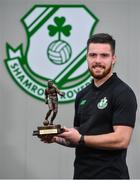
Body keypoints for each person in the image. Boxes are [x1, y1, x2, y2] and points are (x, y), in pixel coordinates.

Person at [40, 33, 137, 179]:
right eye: (93, 55)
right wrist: (58, 137)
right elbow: (81, 135)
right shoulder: (82, 94)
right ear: (87, 57)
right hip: (81, 175)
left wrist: (80, 138)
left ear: (113, 59)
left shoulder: (123, 93)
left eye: (104, 55)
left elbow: (121, 140)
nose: (97, 60)